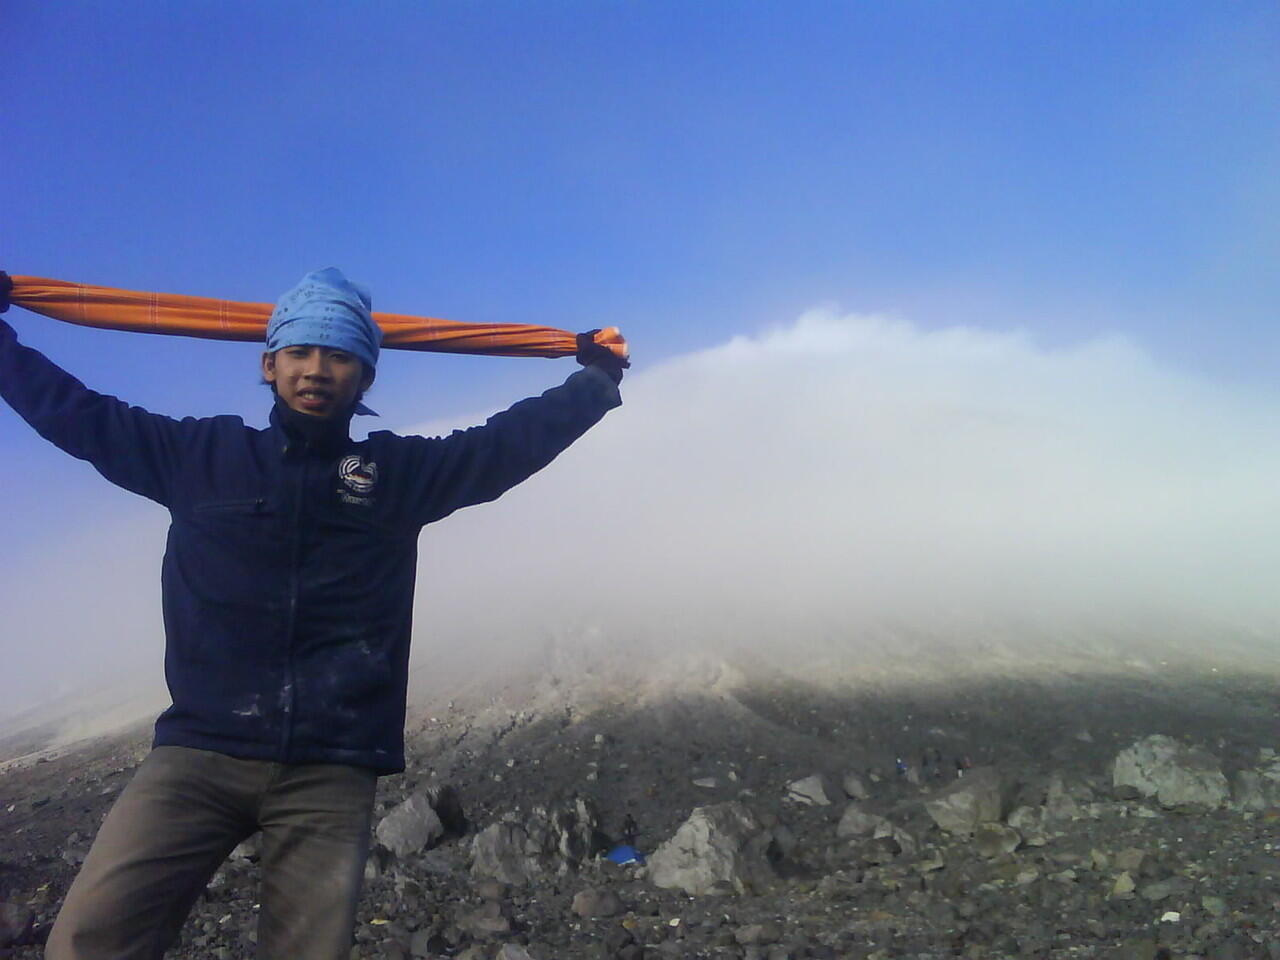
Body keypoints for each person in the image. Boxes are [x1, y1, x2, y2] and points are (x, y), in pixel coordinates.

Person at [0, 268, 624, 960]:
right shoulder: (197, 457)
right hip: (200, 752)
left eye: (339, 356)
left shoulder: (397, 477)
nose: (317, 370)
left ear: (365, 378)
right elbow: (75, 413)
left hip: (331, 767)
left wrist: (594, 382)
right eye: (300, 353)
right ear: (269, 365)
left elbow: (505, 444)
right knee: (90, 938)